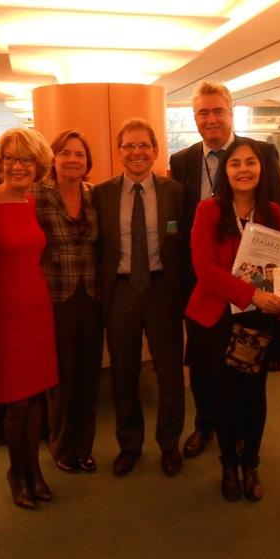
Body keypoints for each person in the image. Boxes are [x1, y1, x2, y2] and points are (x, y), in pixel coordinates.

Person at [170, 80, 280, 460]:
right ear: (194, 117)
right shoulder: (183, 160)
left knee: (247, 374)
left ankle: (240, 438)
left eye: (218, 110)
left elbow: (278, 221)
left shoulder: (261, 153)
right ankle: (206, 425)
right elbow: (181, 220)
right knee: (205, 370)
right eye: (203, 112)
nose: (211, 118)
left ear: (231, 112)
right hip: (203, 283)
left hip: (253, 290)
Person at [185, 138, 280, 501]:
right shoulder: (209, 210)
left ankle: (252, 463)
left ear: (262, 168)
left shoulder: (273, 212)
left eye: (251, 163)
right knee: (226, 396)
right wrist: (250, 294)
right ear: (224, 171)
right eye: (235, 164)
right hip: (217, 319)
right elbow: (204, 269)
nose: (244, 170)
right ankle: (229, 463)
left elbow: (279, 268)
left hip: (256, 320)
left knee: (254, 396)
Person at [0, 128, 58, 510]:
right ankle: (16, 473)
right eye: (11, 158)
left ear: (39, 166)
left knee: (37, 398)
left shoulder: (35, 202)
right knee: (16, 402)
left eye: (27, 159)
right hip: (1, 314)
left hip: (37, 308)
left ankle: (34, 469)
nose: (18, 166)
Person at [93, 118, 185, 478]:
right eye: (129, 146)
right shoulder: (101, 194)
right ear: (119, 152)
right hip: (121, 291)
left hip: (163, 289)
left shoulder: (175, 192)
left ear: (155, 151)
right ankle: (129, 445)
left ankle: (169, 444)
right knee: (123, 373)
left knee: (170, 373)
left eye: (143, 145)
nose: (136, 152)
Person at [35, 130, 104, 473]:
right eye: (66, 153)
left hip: (91, 296)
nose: (73, 159)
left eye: (79, 154)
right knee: (61, 377)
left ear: (87, 161)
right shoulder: (37, 194)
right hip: (56, 296)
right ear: (53, 158)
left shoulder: (95, 195)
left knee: (89, 375)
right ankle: (62, 447)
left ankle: (84, 446)